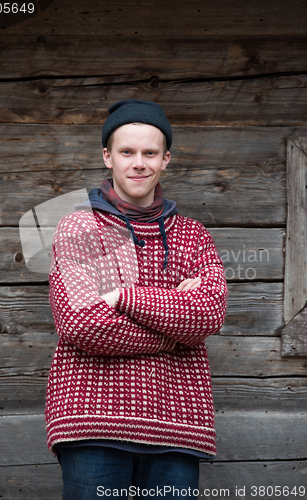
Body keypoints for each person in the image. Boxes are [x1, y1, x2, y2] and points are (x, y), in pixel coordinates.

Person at [45, 99, 228, 499]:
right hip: (92, 420)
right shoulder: (79, 227)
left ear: (166, 160)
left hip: (177, 423)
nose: (138, 163)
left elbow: (209, 313)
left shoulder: (193, 235)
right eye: (127, 152)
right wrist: (174, 328)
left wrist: (122, 296)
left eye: (150, 153)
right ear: (107, 157)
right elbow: (82, 324)